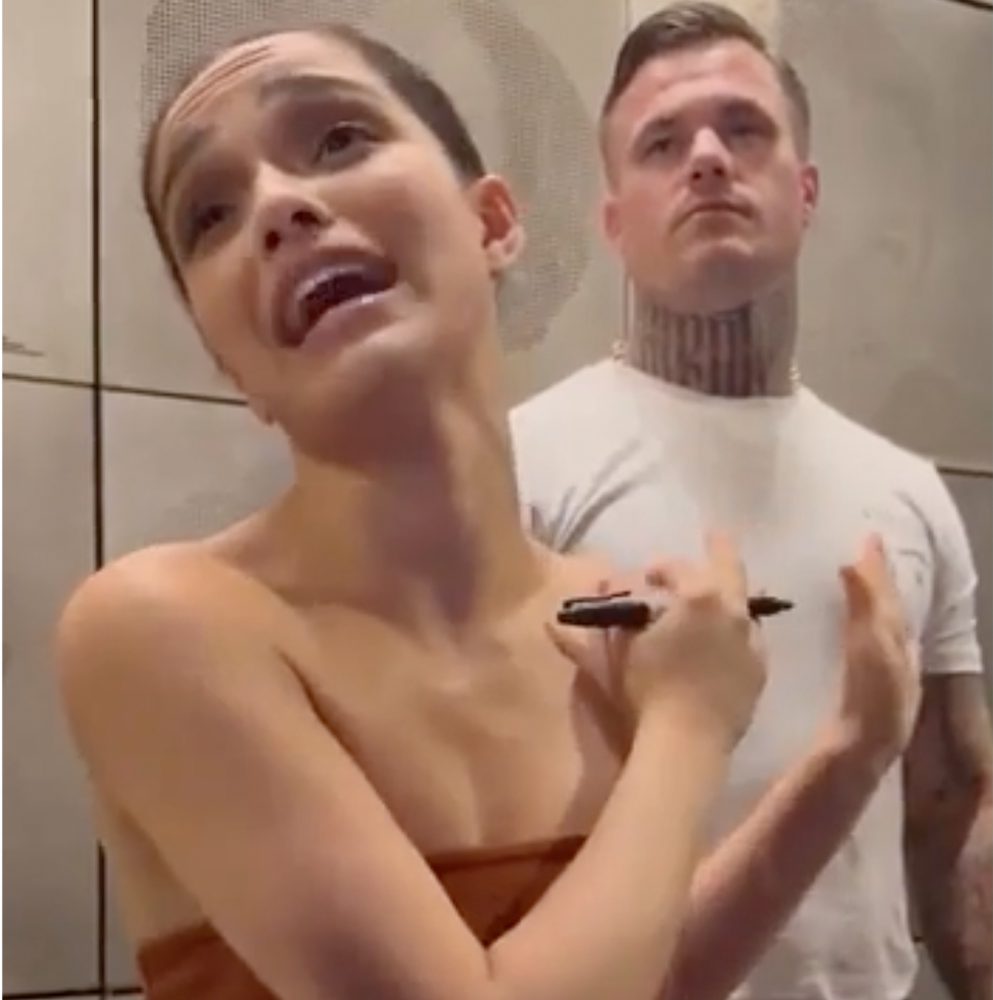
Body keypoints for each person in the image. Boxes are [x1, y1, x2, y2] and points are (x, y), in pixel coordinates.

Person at [53, 22, 919, 1000]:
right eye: (209, 213)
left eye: (337, 139)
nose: (278, 205)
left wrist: (851, 752)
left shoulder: (602, 625)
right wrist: (686, 723)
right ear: (230, 363)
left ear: (494, 223)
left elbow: (642, 978)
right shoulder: (161, 625)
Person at [510, 6, 993, 999]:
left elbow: (950, 808)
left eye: (743, 129)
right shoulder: (518, 466)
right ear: (613, 221)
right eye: (661, 143)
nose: (706, 158)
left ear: (803, 190)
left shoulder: (907, 492)